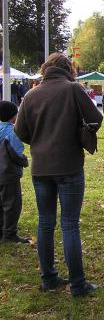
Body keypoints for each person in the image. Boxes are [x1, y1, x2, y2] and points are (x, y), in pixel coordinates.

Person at [14, 52, 102, 297]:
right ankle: (77, 284)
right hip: (69, 166)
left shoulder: (30, 95)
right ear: (68, 69)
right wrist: (75, 131)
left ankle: (49, 277)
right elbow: (96, 118)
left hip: (41, 167)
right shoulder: (73, 90)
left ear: (45, 69)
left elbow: (20, 132)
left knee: (45, 222)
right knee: (69, 224)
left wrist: (40, 142)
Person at [0, 101, 29, 243]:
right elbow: (17, 153)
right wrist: (25, 161)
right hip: (7, 174)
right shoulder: (12, 132)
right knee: (11, 204)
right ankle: (9, 233)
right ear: (13, 116)